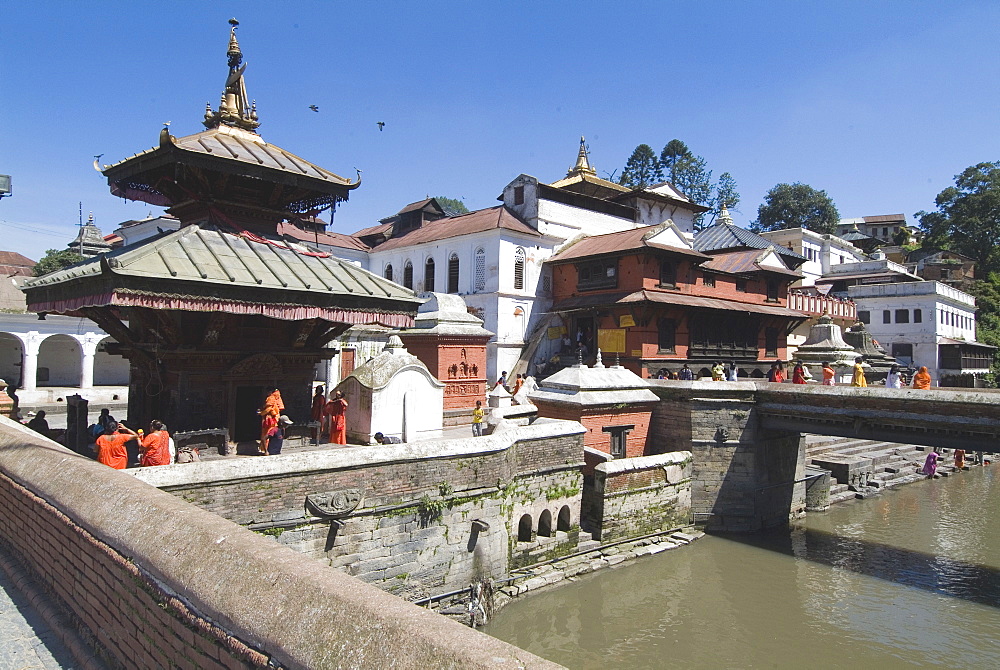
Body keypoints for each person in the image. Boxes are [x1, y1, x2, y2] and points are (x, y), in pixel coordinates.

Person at [258, 388, 284, 454]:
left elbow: (268, 409)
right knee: (275, 433)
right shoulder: (277, 397)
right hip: (276, 418)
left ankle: (266, 449)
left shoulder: (271, 398)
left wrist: (261, 413)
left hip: (270, 419)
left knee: (268, 433)